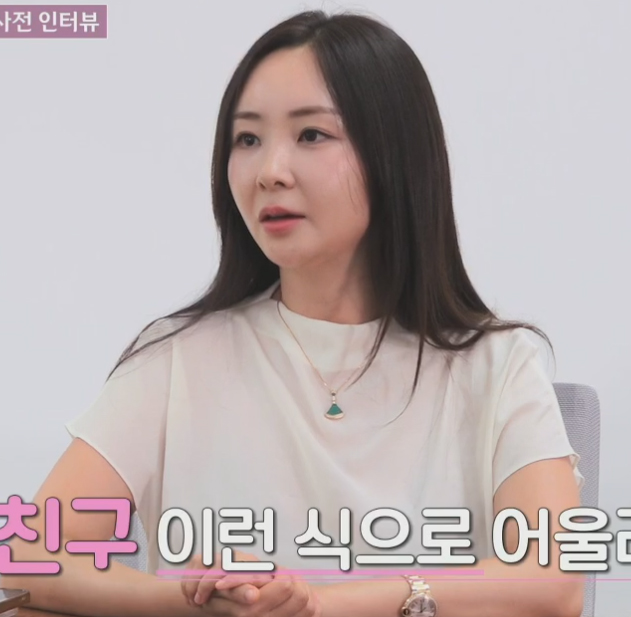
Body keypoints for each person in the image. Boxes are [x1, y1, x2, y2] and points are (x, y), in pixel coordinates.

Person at [2, 9, 585, 617]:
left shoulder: (495, 364)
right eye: (247, 140)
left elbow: (554, 581)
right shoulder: (179, 357)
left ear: (394, 154)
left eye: (311, 135)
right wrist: (196, 601)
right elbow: (27, 554)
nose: (269, 172)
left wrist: (320, 606)